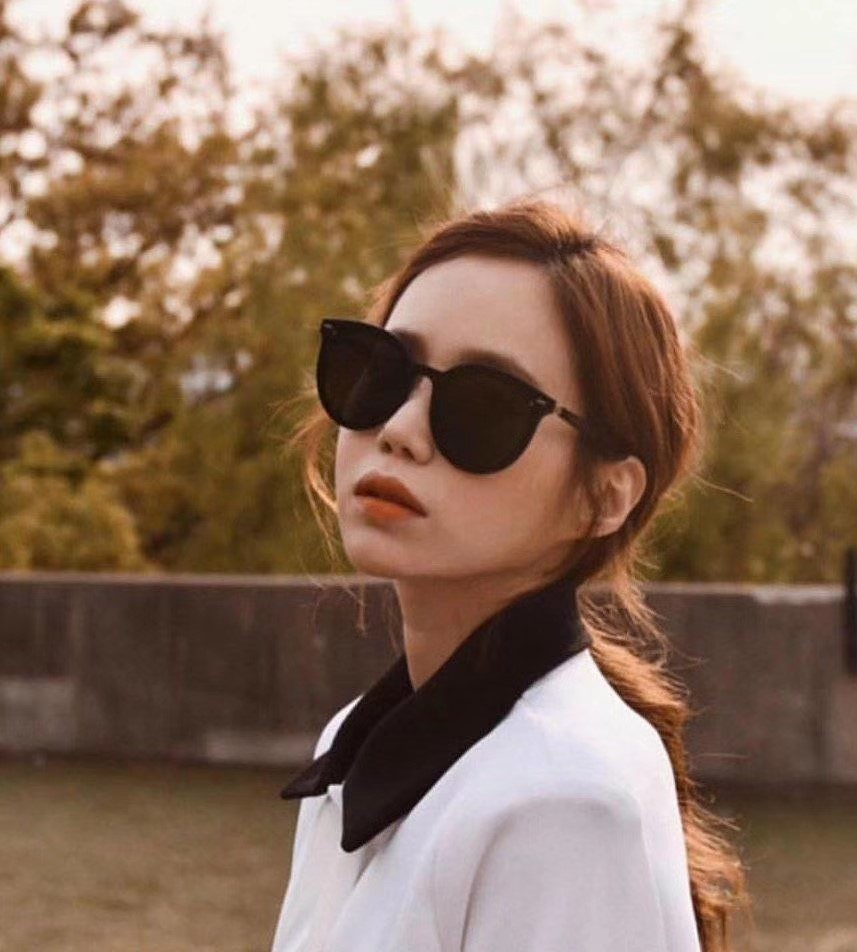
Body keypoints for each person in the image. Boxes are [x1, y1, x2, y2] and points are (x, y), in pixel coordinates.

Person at [271, 197, 751, 951]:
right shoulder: (354, 746)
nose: (398, 431)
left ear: (604, 496)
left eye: (483, 406)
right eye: (381, 373)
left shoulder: (563, 798)